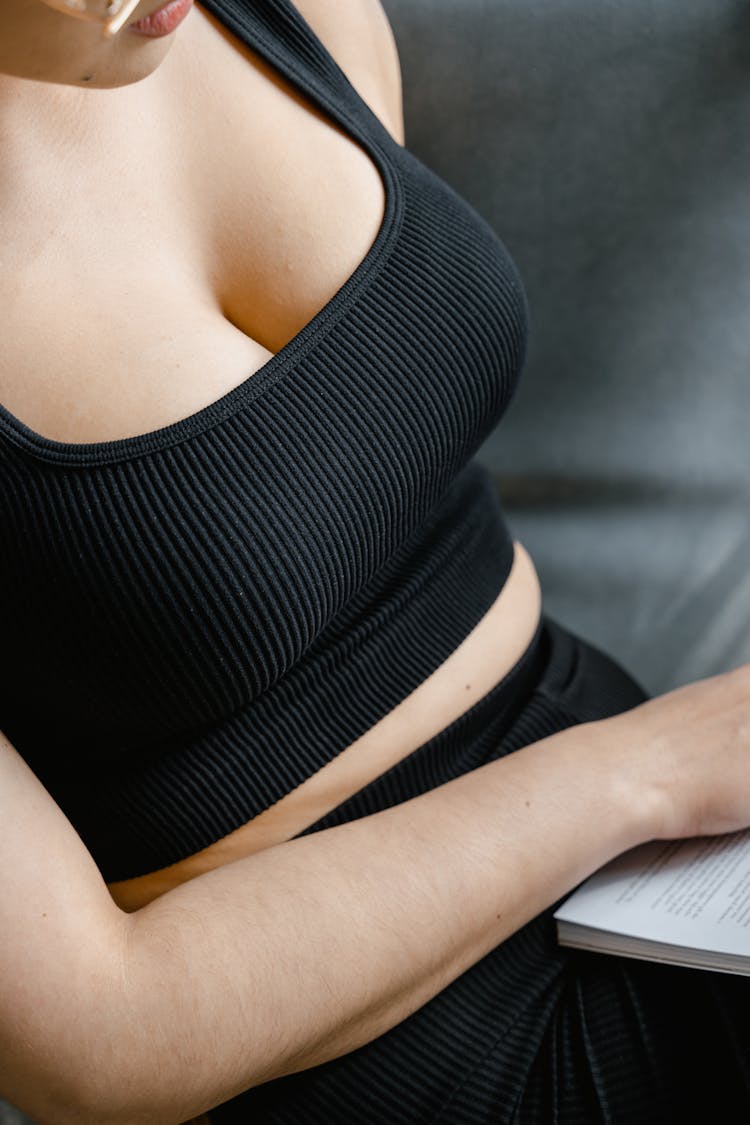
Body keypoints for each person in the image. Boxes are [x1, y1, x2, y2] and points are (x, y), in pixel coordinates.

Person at [1, 1, 749, 1122]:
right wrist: (637, 776)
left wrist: (666, 788)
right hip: (382, 1045)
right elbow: (102, 1043)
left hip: (673, 871)